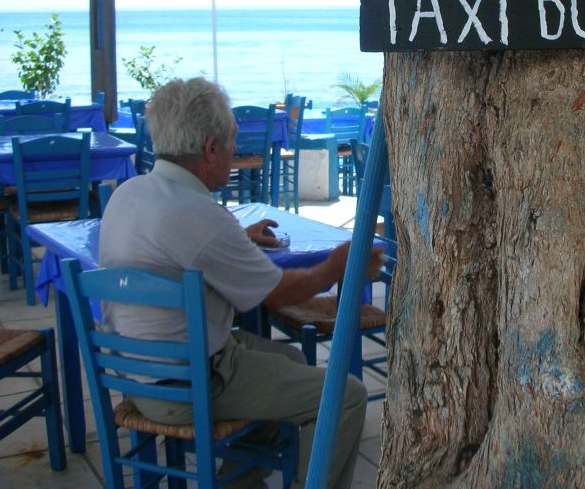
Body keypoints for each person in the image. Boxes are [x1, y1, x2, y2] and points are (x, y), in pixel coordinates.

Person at [99, 77, 383, 489]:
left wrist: (239, 240)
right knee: (346, 395)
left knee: (290, 363)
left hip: (137, 377)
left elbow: (180, 251)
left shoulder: (128, 194)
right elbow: (277, 295)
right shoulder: (200, 216)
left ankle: (241, 481)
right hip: (189, 384)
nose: (237, 151)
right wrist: (336, 266)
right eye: (232, 142)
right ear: (210, 149)